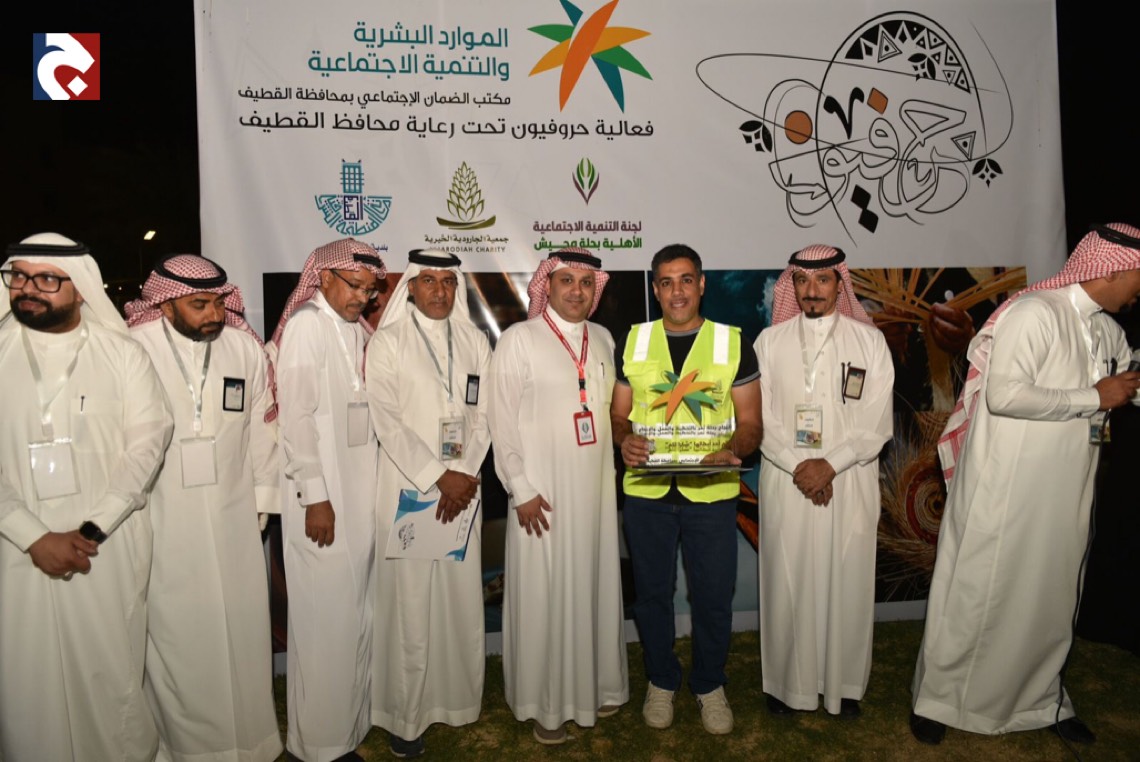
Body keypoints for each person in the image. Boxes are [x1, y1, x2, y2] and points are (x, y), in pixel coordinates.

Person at [910, 223, 1140, 746]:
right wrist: (1094, 396)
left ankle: (1040, 698)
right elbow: (1005, 395)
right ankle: (937, 700)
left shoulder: (1110, 333)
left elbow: (1121, 388)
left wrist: (1116, 393)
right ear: (1113, 268)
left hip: (1067, 492)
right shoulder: (1033, 314)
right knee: (976, 593)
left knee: (1050, 596)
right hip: (1005, 488)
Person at [0, 233, 173, 761]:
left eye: (46, 279)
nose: (28, 288)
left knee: (109, 670)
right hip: (13, 547)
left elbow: (147, 445)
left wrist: (92, 527)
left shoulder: (122, 354)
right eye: (18, 276)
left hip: (104, 546)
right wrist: (32, 536)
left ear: (81, 288)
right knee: (26, 675)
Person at [126, 254, 282, 761]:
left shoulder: (242, 348)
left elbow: (263, 428)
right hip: (164, 520)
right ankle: (188, 749)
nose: (214, 313)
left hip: (236, 518)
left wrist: (262, 503)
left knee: (242, 633)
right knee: (180, 638)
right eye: (200, 304)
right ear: (165, 304)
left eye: (218, 301)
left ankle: (251, 745)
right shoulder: (133, 350)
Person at [611, 243, 762, 735]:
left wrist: (733, 448)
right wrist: (623, 439)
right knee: (652, 595)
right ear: (656, 290)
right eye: (666, 282)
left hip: (712, 493)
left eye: (686, 280)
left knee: (714, 596)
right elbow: (618, 415)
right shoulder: (633, 340)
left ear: (701, 284)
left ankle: (709, 684)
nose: (677, 291)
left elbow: (751, 423)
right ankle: (661, 680)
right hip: (647, 494)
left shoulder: (732, 342)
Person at [488, 249, 630, 744]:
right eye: (566, 280)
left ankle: (598, 684)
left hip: (594, 496)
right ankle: (546, 707)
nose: (576, 290)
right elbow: (500, 421)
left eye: (586, 282)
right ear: (546, 285)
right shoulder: (519, 340)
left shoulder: (605, 339)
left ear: (596, 289)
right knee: (545, 594)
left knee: (594, 584)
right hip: (540, 497)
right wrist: (520, 488)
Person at [753, 244, 893, 717]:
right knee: (787, 579)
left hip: (848, 481)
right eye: (802, 281)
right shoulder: (769, 342)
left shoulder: (869, 342)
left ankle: (843, 686)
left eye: (823, 280)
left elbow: (877, 422)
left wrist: (829, 465)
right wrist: (802, 467)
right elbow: (760, 419)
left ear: (839, 284)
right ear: (791, 285)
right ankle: (785, 685)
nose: (811, 290)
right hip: (787, 479)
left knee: (847, 578)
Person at [366, 250, 492, 758]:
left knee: (460, 602)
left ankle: (457, 702)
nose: (440, 291)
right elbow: (386, 420)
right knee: (411, 608)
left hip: (464, 490)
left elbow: (487, 413)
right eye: (429, 281)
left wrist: (465, 474)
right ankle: (406, 717)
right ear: (411, 288)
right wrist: (439, 477)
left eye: (448, 282)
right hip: (409, 490)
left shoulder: (474, 340)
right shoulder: (388, 342)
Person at [271, 238, 387, 762]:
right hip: (322, 502)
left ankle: (346, 731)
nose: (362, 297)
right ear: (323, 278)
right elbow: (294, 420)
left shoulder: (354, 330)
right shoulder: (307, 327)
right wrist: (316, 497)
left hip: (358, 498)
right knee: (324, 622)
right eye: (354, 286)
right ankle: (318, 746)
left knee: (353, 617)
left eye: (369, 290)